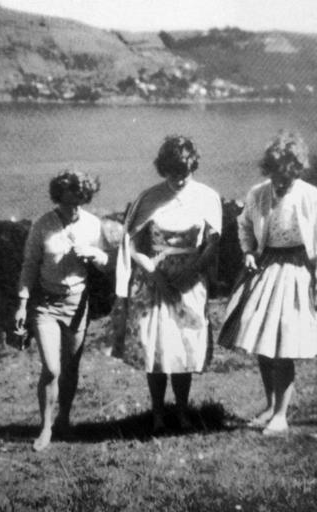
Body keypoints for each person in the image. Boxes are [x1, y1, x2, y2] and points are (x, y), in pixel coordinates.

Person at [218, 131, 317, 435]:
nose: (281, 180)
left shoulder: (310, 196)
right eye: (275, 173)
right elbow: (244, 224)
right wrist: (247, 252)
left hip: (298, 270)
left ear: (296, 170)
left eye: (287, 174)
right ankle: (271, 406)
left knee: (284, 344)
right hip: (266, 267)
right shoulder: (259, 193)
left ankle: (281, 415)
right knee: (262, 342)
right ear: (268, 169)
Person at [114, 135, 221, 434]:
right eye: (173, 173)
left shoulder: (207, 197)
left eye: (184, 173)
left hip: (189, 279)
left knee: (184, 347)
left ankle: (184, 412)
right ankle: (159, 413)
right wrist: (154, 273)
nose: (179, 180)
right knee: (157, 349)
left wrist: (193, 271)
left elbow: (214, 242)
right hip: (154, 281)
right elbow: (132, 242)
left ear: (192, 168)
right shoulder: (148, 198)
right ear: (164, 170)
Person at [14, 170, 108, 451]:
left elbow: (108, 262)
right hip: (46, 304)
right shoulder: (43, 225)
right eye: (69, 203)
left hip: (78, 303)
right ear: (58, 198)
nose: (74, 209)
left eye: (80, 202)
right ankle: (46, 428)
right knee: (52, 369)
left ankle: (64, 420)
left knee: (70, 369)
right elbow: (29, 265)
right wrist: (21, 304)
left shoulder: (93, 225)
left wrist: (95, 255)